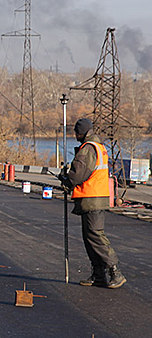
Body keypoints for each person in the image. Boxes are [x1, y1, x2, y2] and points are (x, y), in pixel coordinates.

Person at [59, 118, 126, 289]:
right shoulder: (98, 146)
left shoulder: (88, 148)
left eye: (77, 133)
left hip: (93, 198)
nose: (76, 136)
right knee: (89, 237)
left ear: (83, 132)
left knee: (95, 235)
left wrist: (67, 180)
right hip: (94, 198)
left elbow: (79, 172)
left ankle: (115, 272)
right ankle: (99, 275)